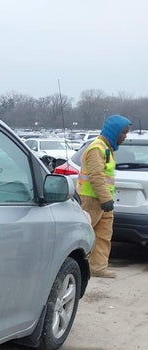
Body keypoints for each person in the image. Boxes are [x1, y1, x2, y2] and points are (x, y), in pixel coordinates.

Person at [77, 114, 131, 278]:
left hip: (103, 201)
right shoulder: (97, 148)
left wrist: (107, 199)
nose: (125, 137)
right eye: (124, 133)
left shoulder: (106, 149)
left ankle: (98, 268)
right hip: (92, 200)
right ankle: (75, 264)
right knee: (83, 234)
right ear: (114, 132)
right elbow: (96, 176)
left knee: (103, 235)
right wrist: (105, 199)